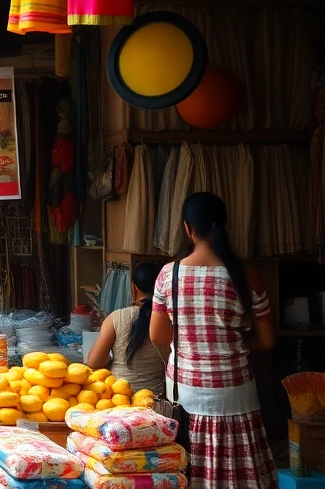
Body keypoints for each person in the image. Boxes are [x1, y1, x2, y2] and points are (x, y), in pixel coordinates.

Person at [149, 192, 276, 489]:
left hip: (185, 396)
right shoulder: (246, 275)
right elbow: (268, 340)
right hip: (236, 395)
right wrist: (237, 346)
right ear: (225, 225)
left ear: (187, 228)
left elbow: (157, 336)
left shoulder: (169, 274)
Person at [86, 261, 165, 395]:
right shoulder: (168, 319)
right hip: (155, 399)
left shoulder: (116, 318)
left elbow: (94, 362)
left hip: (119, 396)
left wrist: (111, 360)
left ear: (134, 288)